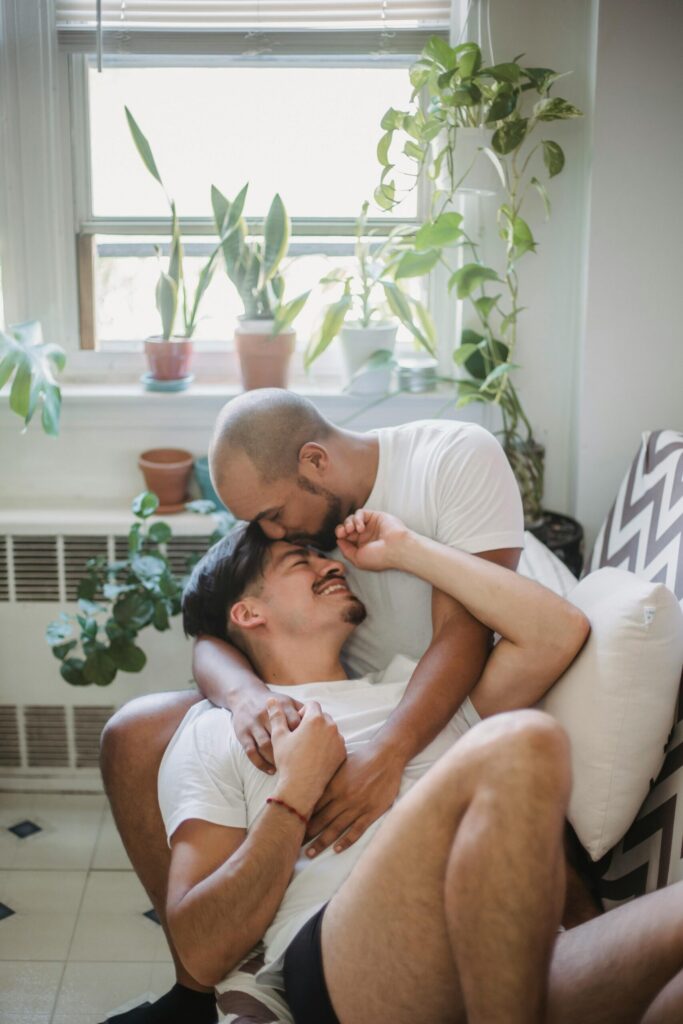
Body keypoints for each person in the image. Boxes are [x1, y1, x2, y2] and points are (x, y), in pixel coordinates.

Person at [99, 390, 552, 1023]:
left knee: (520, 752)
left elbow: (465, 636)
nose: (276, 532)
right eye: (268, 529)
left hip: (430, 696)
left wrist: (389, 753)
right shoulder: (307, 522)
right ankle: (206, 983)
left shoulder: (448, 460)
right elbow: (213, 620)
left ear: (315, 461)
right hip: (333, 695)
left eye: (275, 516)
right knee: (137, 731)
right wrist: (244, 694)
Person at [159, 511, 683, 1024]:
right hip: (352, 960)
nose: (332, 566)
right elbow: (202, 952)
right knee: (527, 740)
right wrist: (295, 792)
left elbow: (557, 631)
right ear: (249, 613)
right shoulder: (220, 731)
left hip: (518, 959)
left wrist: (407, 547)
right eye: (302, 562)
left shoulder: (415, 694)